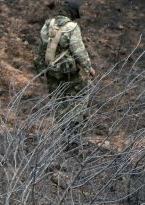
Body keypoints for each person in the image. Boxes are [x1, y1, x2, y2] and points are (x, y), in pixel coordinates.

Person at [34, 0, 96, 128]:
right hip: (68, 73)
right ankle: (72, 133)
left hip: (51, 71)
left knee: (57, 102)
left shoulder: (48, 24)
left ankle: (61, 133)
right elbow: (79, 51)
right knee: (79, 98)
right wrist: (89, 68)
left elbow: (42, 48)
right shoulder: (72, 27)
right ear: (73, 12)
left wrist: (40, 68)